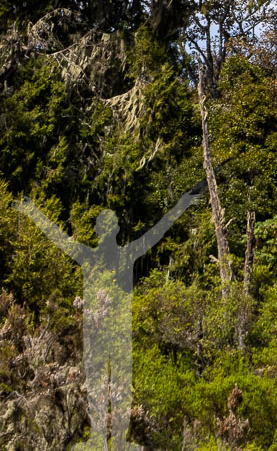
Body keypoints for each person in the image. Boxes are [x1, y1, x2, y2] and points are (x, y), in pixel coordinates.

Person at [18, 183, 204, 451]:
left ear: (108, 231)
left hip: (110, 333)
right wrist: (182, 203)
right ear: (107, 231)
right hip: (102, 333)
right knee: (104, 385)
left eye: (109, 226)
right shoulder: (117, 254)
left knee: (114, 385)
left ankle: (115, 440)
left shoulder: (98, 255)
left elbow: (57, 236)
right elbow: (159, 229)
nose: (106, 231)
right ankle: (103, 440)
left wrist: (33, 212)